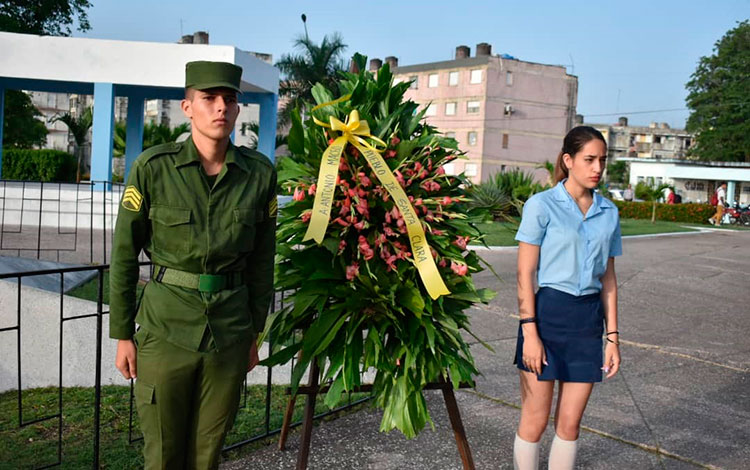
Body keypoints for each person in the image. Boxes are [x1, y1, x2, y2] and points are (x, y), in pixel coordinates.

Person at [109, 61, 277, 470]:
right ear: (187, 107)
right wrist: (122, 335)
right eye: (209, 98)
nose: (221, 107)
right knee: (163, 455)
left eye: (230, 99)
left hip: (230, 333)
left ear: (238, 109)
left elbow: (262, 262)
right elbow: (125, 255)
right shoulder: (153, 168)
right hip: (165, 330)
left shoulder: (258, 175)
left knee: (207, 454)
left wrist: (254, 332)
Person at [512, 126, 622, 470]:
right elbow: (524, 274)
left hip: (587, 322)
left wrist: (613, 337)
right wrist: (530, 332)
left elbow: (608, 279)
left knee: (570, 424)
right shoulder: (542, 205)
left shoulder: (609, 213)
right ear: (568, 160)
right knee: (535, 420)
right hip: (546, 318)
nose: (597, 168)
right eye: (589, 159)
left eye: (602, 160)